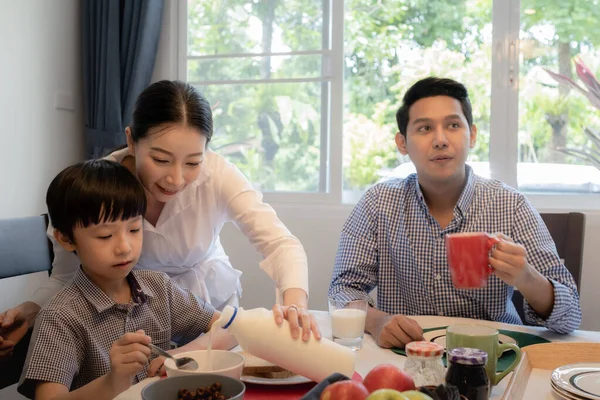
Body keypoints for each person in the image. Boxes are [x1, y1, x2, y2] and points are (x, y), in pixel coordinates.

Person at [0, 80, 319, 361]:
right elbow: (67, 275)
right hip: (135, 325)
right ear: (131, 140)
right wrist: (33, 307)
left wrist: (295, 306)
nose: (176, 179)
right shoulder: (96, 189)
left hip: (210, 318)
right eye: (160, 160)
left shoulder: (217, 174)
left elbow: (281, 245)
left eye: (193, 161)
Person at [328, 77, 582, 349]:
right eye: (425, 128)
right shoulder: (378, 203)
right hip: (407, 355)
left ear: (471, 135)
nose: (440, 140)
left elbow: (569, 318)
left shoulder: (511, 205)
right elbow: (342, 289)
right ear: (402, 143)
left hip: (494, 357)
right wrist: (377, 321)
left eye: (453, 125)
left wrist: (526, 278)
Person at [18, 159, 240, 399]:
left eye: (134, 229)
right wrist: (114, 381)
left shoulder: (158, 287)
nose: (124, 247)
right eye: (105, 236)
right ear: (66, 239)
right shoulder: (60, 317)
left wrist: (180, 355)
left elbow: (231, 327)